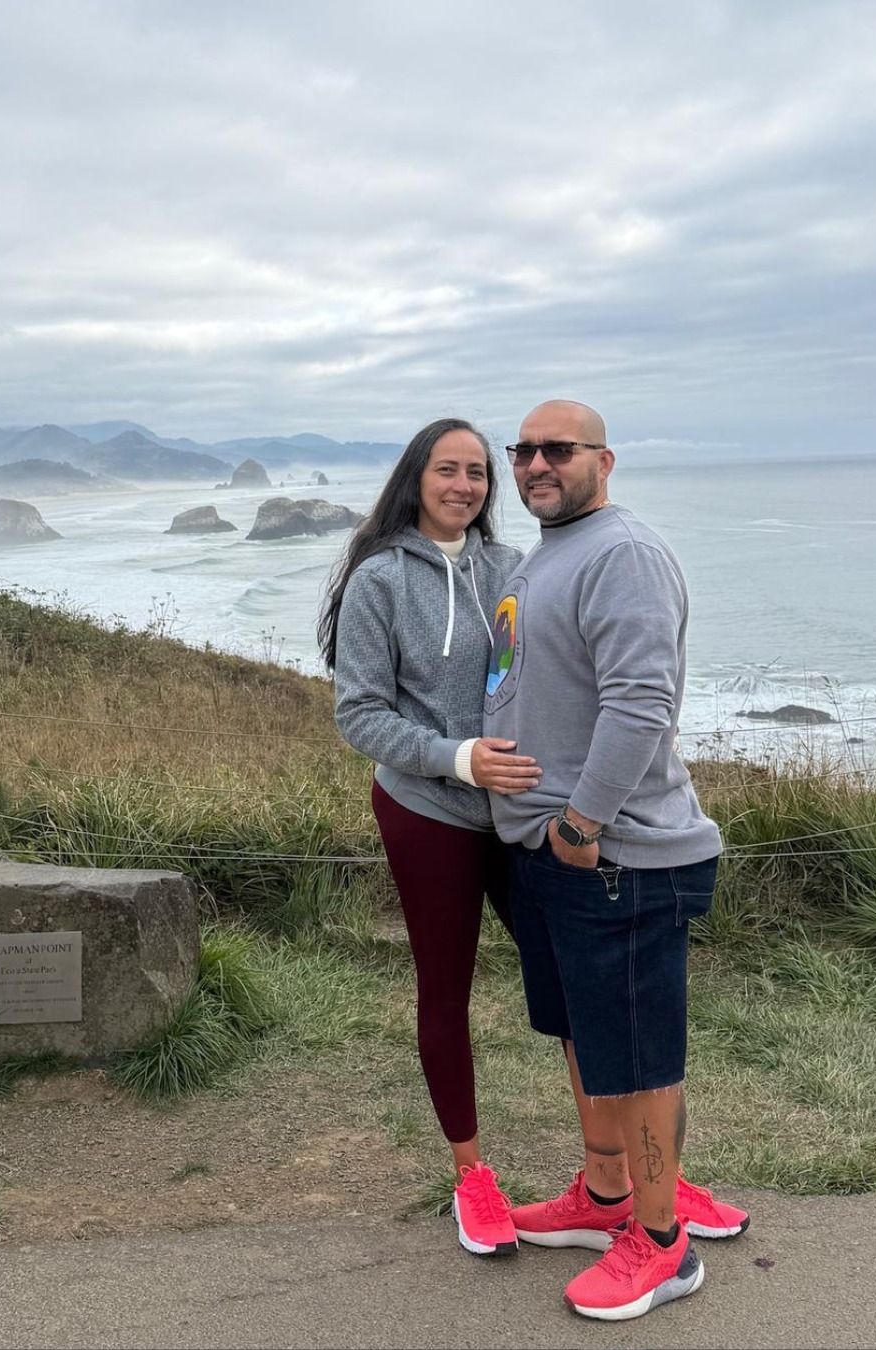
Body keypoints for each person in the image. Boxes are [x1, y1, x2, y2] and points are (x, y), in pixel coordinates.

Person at [484, 398, 749, 1322]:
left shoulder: (622, 554)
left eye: (558, 449)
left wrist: (579, 823)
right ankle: (605, 1199)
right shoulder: (545, 556)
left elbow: (641, 704)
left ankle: (664, 1241)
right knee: (589, 1042)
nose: (535, 465)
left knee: (638, 1057)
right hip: (556, 858)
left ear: (605, 459)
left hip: (616, 856)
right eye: (522, 450)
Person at [319, 417, 541, 1258]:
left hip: (519, 810)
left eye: (478, 473)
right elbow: (360, 715)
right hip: (427, 808)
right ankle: (473, 1178)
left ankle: (620, 1168)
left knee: (569, 979)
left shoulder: (512, 569)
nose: (464, 486)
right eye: (448, 470)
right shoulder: (381, 580)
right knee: (444, 991)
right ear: (417, 479)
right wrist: (459, 760)